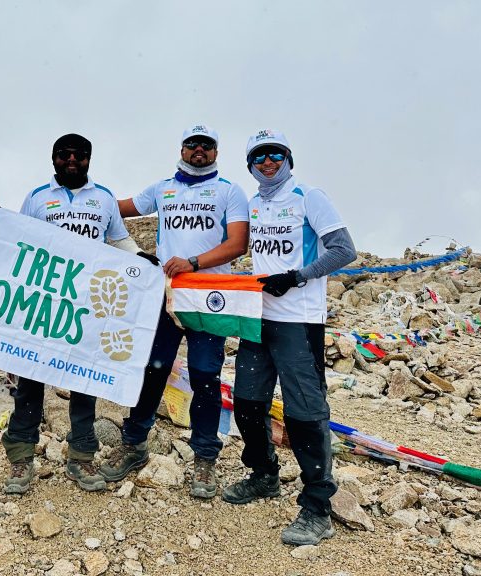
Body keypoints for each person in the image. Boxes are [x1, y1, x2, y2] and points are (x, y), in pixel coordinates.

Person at [223, 129, 357, 546]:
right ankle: (264, 474)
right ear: (250, 165)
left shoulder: (308, 196)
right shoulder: (255, 203)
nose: (267, 162)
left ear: (288, 157)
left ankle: (317, 508)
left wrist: (296, 277)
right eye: (258, 156)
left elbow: (343, 250)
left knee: (304, 412)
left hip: (298, 320)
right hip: (257, 318)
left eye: (274, 154)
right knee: (246, 401)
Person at [102, 125, 249, 499]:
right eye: (192, 144)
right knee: (152, 370)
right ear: (181, 148)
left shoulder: (229, 191)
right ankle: (134, 444)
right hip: (165, 295)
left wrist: (194, 262)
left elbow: (237, 243)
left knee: (204, 375)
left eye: (207, 145)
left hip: (210, 297)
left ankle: (204, 458)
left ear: (216, 152)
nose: (199, 150)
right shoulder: (163, 188)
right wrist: (85, 199)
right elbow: (120, 208)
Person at [1, 134, 154, 494]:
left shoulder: (103, 198)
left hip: (88, 306)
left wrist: (144, 258)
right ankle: (21, 458)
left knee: (85, 380)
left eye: (79, 155)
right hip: (46, 304)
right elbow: (22, 241)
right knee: (30, 379)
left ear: (89, 159)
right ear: (53, 159)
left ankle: (81, 456)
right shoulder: (37, 198)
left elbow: (118, 240)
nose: (72, 160)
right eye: (64, 155)